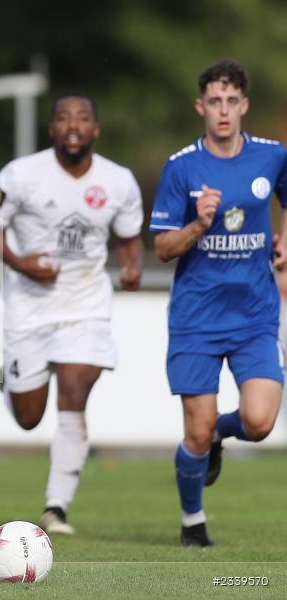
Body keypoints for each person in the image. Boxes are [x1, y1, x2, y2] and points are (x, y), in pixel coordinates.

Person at [0, 94, 144, 535]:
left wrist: (132, 267)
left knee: (75, 391)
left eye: (84, 118)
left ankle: (56, 508)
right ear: (51, 129)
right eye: (64, 118)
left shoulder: (119, 181)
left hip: (86, 307)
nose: (74, 125)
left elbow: (129, 238)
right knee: (30, 418)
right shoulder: (21, 175)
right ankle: (11, 382)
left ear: (95, 130)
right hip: (28, 311)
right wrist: (20, 263)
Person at [150, 59, 287, 547]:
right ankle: (193, 523)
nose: (223, 110)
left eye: (232, 101)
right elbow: (162, 248)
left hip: (254, 314)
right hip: (196, 318)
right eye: (214, 102)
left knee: (260, 421)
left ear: (244, 106)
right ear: (200, 106)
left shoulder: (272, 157)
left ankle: (219, 439)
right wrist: (197, 226)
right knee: (195, 430)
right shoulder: (182, 167)